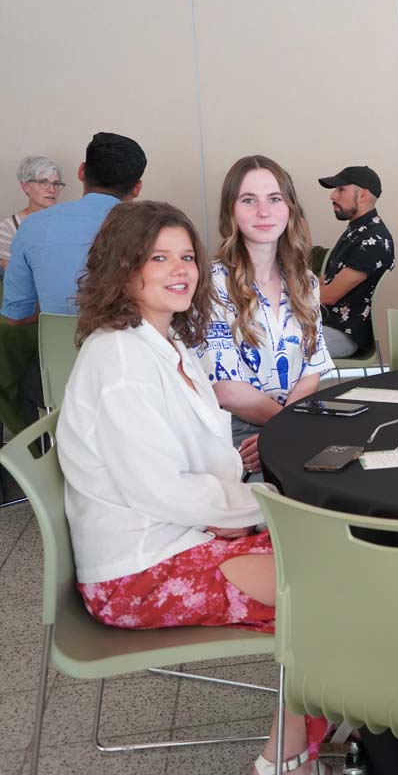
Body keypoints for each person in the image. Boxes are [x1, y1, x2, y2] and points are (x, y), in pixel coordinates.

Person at [56, 201, 330, 775]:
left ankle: (302, 741)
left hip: (181, 537)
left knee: (334, 567)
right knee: (330, 587)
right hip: (139, 570)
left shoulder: (169, 344)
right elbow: (160, 489)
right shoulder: (119, 361)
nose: (181, 269)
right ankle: (290, 755)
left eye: (186, 256)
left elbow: (202, 465)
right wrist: (259, 507)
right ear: (124, 266)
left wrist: (246, 501)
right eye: (159, 257)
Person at [195, 156, 334, 472]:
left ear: (289, 208)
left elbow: (311, 370)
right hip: (237, 434)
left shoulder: (305, 281)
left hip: (295, 420)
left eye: (274, 199)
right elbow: (226, 390)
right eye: (248, 200)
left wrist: (289, 426)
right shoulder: (210, 283)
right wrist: (286, 428)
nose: (264, 211)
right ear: (230, 209)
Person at [0, 132, 145, 435]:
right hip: (135, 376)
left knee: (21, 385)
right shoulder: (152, 227)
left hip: (60, 382)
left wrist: (55, 307)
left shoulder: (32, 226)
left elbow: (14, 317)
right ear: (137, 187)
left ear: (81, 171)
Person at [316, 165, 395, 357]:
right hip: (326, 325)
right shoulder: (357, 231)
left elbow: (328, 296)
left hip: (344, 335)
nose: (332, 196)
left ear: (363, 195)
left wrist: (284, 297)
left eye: (341, 189)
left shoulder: (373, 240)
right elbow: (324, 282)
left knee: (276, 345)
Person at [0, 155, 65, 273]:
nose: (52, 190)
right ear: (25, 186)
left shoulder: (66, 224)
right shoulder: (8, 228)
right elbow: (12, 278)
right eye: (43, 182)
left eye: (56, 183)